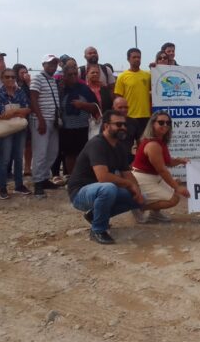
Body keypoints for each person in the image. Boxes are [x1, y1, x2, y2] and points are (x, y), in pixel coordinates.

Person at [67, 110, 146, 244]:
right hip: (80, 193)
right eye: (118, 124)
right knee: (108, 188)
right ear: (106, 126)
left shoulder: (119, 147)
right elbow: (103, 177)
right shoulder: (97, 144)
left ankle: (94, 215)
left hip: (99, 190)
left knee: (140, 198)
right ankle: (98, 230)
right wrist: (129, 185)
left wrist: (136, 190)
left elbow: (127, 173)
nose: (123, 128)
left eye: (124, 125)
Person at [132, 111, 189, 222]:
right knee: (174, 199)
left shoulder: (159, 141)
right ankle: (140, 207)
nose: (165, 125)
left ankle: (154, 213)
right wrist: (177, 187)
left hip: (153, 177)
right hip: (143, 179)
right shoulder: (153, 145)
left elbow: (167, 162)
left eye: (168, 123)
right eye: (161, 122)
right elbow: (162, 170)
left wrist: (180, 161)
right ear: (153, 124)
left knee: (175, 184)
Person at [0, 68, 31, 198]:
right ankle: (2, 188)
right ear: (2, 79)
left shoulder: (20, 92)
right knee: (5, 159)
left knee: (19, 158)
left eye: (13, 77)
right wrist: (16, 111)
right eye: (7, 77)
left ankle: (19, 185)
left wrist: (11, 112)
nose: (10, 79)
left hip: (19, 129)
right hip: (6, 130)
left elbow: (27, 109)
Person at [30, 54, 62, 197]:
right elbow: (33, 98)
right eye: (50, 64)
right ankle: (37, 183)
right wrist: (40, 119)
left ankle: (44, 178)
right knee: (40, 153)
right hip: (41, 120)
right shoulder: (37, 78)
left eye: (55, 64)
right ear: (43, 64)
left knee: (52, 151)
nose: (53, 67)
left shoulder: (52, 80)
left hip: (52, 120)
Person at [60, 65, 100, 174]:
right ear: (64, 76)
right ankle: (72, 178)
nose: (73, 76)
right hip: (66, 128)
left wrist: (83, 105)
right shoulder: (61, 90)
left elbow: (96, 108)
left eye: (75, 74)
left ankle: (83, 176)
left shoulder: (84, 89)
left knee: (83, 154)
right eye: (70, 75)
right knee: (69, 155)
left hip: (83, 128)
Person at [114, 48, 151, 142]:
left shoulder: (147, 75)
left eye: (139, 57)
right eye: (134, 57)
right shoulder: (122, 77)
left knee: (143, 144)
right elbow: (118, 97)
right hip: (129, 116)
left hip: (145, 116)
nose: (137, 59)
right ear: (128, 59)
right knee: (126, 144)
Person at [13, 63, 32, 176]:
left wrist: (29, 83)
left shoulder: (28, 85)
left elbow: (34, 97)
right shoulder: (13, 85)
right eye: (22, 73)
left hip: (28, 117)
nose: (25, 75)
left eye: (26, 72)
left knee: (29, 143)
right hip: (15, 116)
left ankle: (27, 167)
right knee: (17, 143)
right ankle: (16, 167)